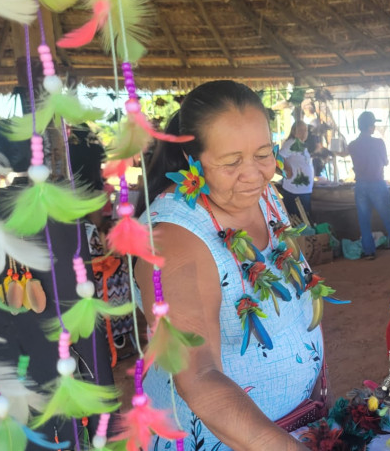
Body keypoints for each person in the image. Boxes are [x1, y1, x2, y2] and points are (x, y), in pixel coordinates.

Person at [136, 81, 320, 450]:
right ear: (192, 159)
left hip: (295, 424)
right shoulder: (172, 237)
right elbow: (199, 375)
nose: (253, 174)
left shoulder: (267, 196)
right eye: (232, 162)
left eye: (264, 154)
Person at [348, 111, 390, 259]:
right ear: (370, 127)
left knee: (364, 221)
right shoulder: (378, 143)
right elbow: (386, 162)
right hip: (376, 183)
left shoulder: (352, 145)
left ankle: (369, 252)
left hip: (361, 185)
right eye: (373, 125)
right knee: (388, 217)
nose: (374, 127)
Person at [278, 120, 314, 221]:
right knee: (298, 222)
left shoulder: (301, 145)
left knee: (303, 222)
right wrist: (288, 169)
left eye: (306, 130)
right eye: (301, 130)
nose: (304, 133)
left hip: (302, 191)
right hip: (295, 191)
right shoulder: (292, 143)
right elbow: (279, 156)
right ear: (294, 131)